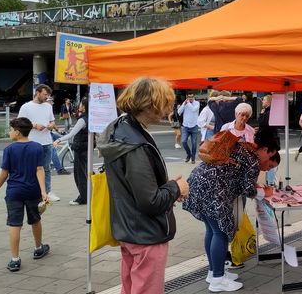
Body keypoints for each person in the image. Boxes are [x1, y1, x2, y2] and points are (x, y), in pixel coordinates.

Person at [97, 77, 189, 294]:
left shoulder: (120, 128)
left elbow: (136, 187)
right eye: (167, 102)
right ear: (151, 104)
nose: (169, 108)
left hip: (128, 227)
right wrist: (177, 188)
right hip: (146, 233)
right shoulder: (135, 144)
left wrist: (167, 187)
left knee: (130, 287)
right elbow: (150, 201)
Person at [183, 128, 280, 292]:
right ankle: (218, 280)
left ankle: (213, 272)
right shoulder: (253, 158)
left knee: (212, 231)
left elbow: (237, 177)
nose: (267, 163)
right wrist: (265, 192)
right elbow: (247, 189)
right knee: (221, 233)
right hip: (214, 189)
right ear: (264, 149)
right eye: (270, 156)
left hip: (198, 181)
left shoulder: (243, 146)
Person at [0, 117, 50, 272]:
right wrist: (43, 191)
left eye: (10, 129)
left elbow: (4, 174)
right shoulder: (37, 147)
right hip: (33, 191)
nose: (10, 132)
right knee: (35, 220)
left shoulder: (9, 149)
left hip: (14, 192)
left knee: (14, 224)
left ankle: (15, 260)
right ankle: (38, 248)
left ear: (17, 132)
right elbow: (40, 170)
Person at [18, 84, 61, 202]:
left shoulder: (48, 107)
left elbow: (52, 121)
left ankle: (47, 191)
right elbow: (19, 123)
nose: (47, 97)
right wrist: (34, 125)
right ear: (37, 92)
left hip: (47, 142)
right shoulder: (26, 107)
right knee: (30, 168)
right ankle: (31, 191)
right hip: (31, 142)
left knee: (46, 168)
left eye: (48, 95)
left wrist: (51, 125)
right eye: (45, 94)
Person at [54, 98, 90, 205]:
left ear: (83, 106)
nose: (79, 105)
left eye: (80, 104)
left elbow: (71, 134)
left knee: (80, 175)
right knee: (84, 173)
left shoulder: (83, 120)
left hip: (80, 149)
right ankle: (86, 195)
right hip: (86, 148)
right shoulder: (91, 118)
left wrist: (59, 139)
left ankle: (83, 198)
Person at [258, 95, 280, 185]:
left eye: (264, 100)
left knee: (269, 162)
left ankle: (270, 182)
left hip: (269, 141)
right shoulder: (270, 111)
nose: (262, 101)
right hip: (271, 141)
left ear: (269, 102)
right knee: (270, 162)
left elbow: (263, 124)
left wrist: (261, 114)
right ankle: (270, 181)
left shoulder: (268, 112)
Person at [178, 93, 200, 163]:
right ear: (186, 97)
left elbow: (193, 110)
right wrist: (184, 104)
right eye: (189, 97)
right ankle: (189, 154)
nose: (190, 98)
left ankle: (193, 157)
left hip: (194, 126)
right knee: (183, 141)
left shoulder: (197, 103)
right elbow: (179, 112)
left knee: (194, 143)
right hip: (185, 126)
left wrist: (188, 103)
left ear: (194, 97)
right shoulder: (185, 103)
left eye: (192, 97)